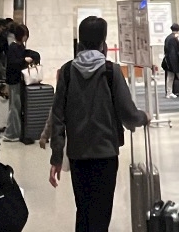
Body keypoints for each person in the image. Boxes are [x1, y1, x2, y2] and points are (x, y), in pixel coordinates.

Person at [49, 16, 149, 232]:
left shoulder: (67, 71)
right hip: (105, 154)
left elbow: (57, 117)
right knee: (101, 214)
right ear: (103, 42)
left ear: (80, 42)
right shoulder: (111, 71)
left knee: (83, 211)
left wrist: (56, 157)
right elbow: (128, 113)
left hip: (77, 155)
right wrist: (144, 117)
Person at [3, 24, 41, 142]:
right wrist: (24, 60)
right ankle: (11, 134)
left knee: (16, 107)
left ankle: (15, 132)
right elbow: (12, 63)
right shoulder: (14, 47)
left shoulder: (18, 47)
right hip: (14, 81)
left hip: (17, 80)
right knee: (15, 108)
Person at [164, 23, 179, 98]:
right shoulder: (177, 38)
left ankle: (169, 92)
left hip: (169, 60)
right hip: (176, 60)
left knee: (170, 77)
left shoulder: (168, 38)